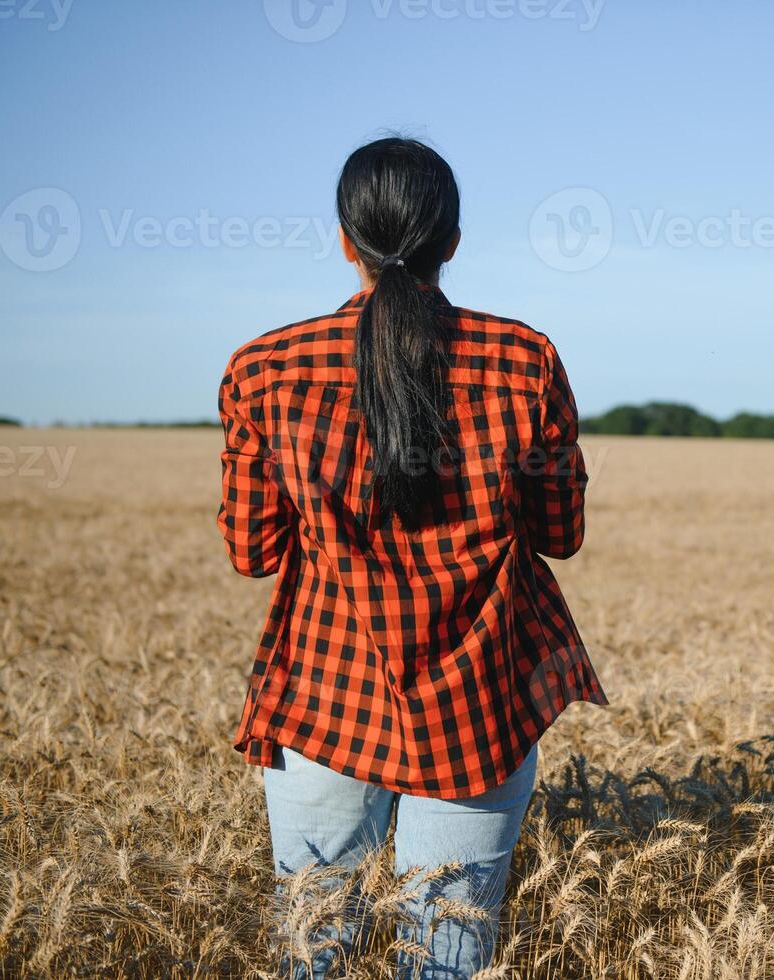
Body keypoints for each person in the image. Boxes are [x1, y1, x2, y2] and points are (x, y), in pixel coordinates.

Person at [215, 135, 608, 978]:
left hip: (323, 696)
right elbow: (561, 533)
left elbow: (250, 550)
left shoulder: (263, 367)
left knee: (311, 953)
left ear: (345, 240)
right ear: (453, 243)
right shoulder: (524, 359)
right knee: (447, 958)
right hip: (478, 704)